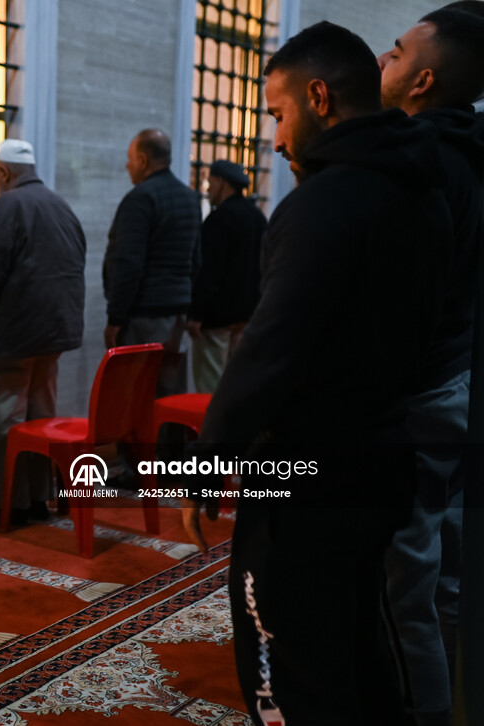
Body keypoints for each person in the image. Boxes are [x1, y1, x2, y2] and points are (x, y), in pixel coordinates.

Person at [191, 22, 450, 723]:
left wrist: (208, 462)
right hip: (386, 456)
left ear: (318, 97)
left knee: (285, 661)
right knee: (357, 647)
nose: (274, 139)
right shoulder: (427, 192)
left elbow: (269, 351)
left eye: (277, 115)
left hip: (308, 478)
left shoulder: (324, 205)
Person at [377, 7, 484, 725]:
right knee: (447, 571)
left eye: (391, 53)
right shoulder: (473, 152)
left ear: (421, 78)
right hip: (461, 376)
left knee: (401, 584)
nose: (378, 63)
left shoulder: (412, 162)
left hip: (418, 393)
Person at [0, 139, 86, 525]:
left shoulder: (7, 206)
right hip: (53, 338)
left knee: (3, 423)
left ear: (2, 173)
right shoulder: (60, 205)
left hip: (9, 341)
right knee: (41, 419)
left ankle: (11, 505)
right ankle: (38, 498)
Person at [102, 128, 200, 398]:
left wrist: (115, 317)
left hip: (145, 315)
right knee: (170, 393)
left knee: (138, 394)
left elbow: (129, 264)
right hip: (177, 313)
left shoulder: (141, 199)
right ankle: (170, 441)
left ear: (143, 160)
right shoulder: (190, 198)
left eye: (130, 158)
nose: (127, 165)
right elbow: (195, 260)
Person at [186, 160, 266, 394]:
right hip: (247, 318)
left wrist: (197, 314)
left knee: (210, 386)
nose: (208, 188)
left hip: (217, 320)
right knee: (238, 385)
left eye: (211, 181)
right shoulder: (257, 218)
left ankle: (212, 431)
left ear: (222, 182)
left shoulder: (219, 219)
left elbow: (209, 271)